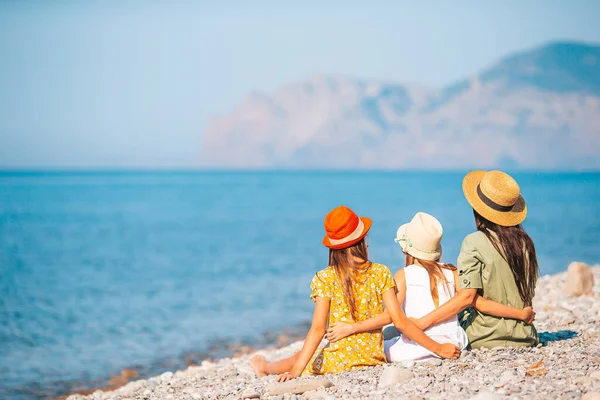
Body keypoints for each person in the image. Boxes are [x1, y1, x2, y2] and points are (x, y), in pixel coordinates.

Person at [250, 206, 460, 382]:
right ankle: (267, 366)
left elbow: (317, 329)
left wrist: (295, 373)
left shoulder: (325, 277)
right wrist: (438, 348)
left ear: (333, 247)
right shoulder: (381, 272)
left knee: (303, 356)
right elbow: (400, 321)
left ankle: (266, 368)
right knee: (307, 353)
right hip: (373, 356)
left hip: (339, 360)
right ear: (362, 240)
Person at [325, 212, 533, 362]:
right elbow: (479, 303)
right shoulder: (452, 272)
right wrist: (520, 314)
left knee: (381, 341)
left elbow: (390, 316)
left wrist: (351, 327)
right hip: (455, 343)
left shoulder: (403, 275)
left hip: (416, 348)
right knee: (391, 333)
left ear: (407, 249)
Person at [412, 170, 539, 348]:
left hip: (484, 336)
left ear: (478, 210)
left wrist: (422, 323)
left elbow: (467, 297)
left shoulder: (474, 242)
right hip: (526, 335)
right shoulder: (526, 243)